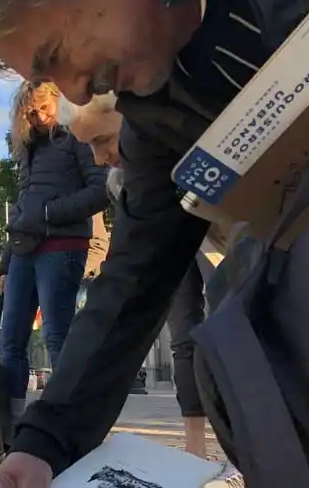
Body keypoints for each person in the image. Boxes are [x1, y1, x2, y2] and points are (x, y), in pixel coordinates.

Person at [0, 0, 309, 485]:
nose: (76, 93)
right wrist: (45, 443)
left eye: (55, 56)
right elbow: (132, 279)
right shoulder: (156, 123)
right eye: (48, 78)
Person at [69, 92, 219, 458]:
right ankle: (195, 445)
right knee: (183, 337)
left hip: (221, 236)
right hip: (176, 239)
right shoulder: (126, 185)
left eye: (102, 140)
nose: (98, 158)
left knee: (233, 319)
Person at [0, 81, 108, 425]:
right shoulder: (29, 147)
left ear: (60, 101)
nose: (40, 115)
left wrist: (47, 213)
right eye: (32, 111)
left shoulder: (77, 135)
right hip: (24, 250)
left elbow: (101, 191)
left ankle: (64, 423)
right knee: (10, 340)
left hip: (62, 247)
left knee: (57, 336)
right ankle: (12, 427)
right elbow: (20, 207)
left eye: (45, 107)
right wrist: (5, 262)